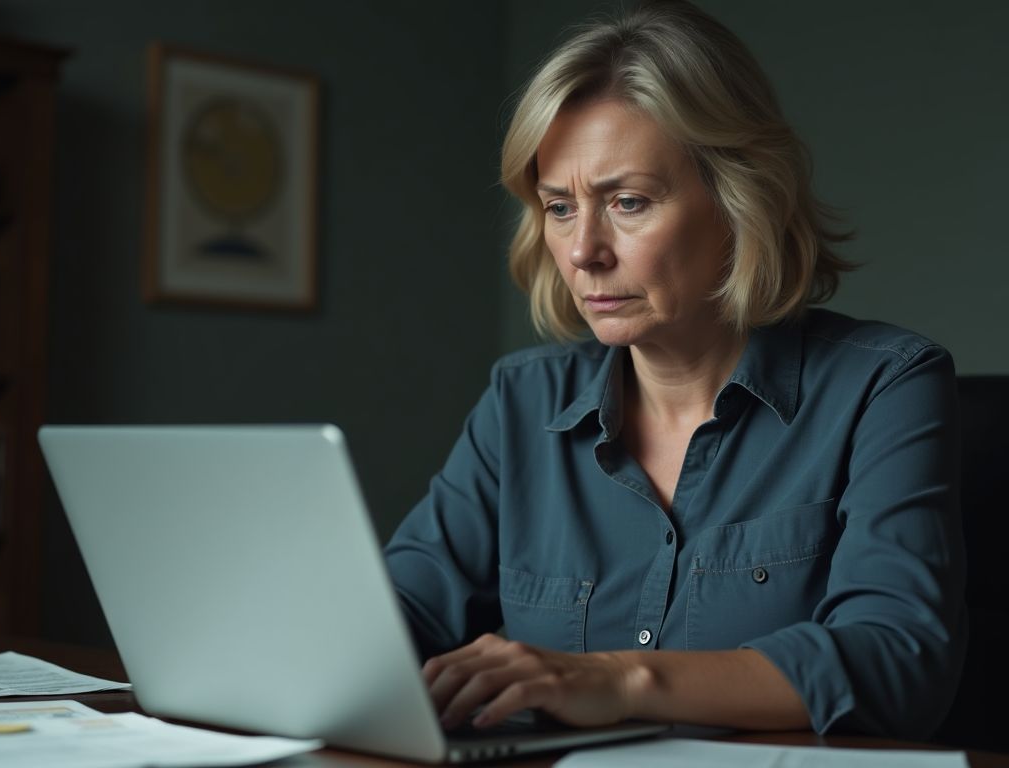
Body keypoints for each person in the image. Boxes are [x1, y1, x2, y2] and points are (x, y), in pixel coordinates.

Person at [382, 0, 966, 742]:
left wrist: (619, 680)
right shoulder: (520, 402)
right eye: (560, 208)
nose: (584, 251)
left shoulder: (887, 386)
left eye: (627, 202)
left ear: (739, 199)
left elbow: (898, 658)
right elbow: (398, 614)